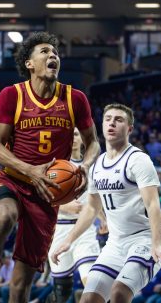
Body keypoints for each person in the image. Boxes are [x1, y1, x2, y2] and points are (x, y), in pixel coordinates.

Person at [0, 33, 100, 303]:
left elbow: (93, 144)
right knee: (4, 217)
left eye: (56, 52)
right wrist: (30, 170)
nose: (53, 55)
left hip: (49, 193)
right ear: (29, 64)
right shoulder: (12, 95)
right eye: (45, 51)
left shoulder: (75, 98)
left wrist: (85, 167)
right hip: (15, 179)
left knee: (20, 285)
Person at [52, 103, 161, 303]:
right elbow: (91, 208)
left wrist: (157, 244)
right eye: (108, 119)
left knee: (119, 293)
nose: (112, 123)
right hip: (115, 244)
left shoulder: (138, 160)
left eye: (119, 120)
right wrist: (68, 240)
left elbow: (153, 205)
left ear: (130, 129)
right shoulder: (96, 165)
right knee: (88, 299)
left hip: (144, 239)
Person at [48, 128, 102, 302]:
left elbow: (94, 199)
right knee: (62, 292)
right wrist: (63, 206)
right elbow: (39, 198)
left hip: (84, 229)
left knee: (92, 280)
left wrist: (104, 219)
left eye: (76, 134)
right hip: (59, 230)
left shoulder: (91, 167)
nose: (73, 138)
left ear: (82, 139)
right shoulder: (54, 165)